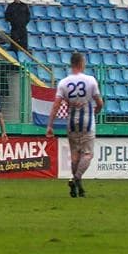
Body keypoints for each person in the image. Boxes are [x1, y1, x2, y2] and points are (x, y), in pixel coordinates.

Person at [46, 52, 104, 198]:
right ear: (82, 63)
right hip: (87, 121)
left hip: (71, 121)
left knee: (75, 155)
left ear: (71, 64)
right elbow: (99, 102)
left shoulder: (64, 83)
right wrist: (97, 110)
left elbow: (56, 105)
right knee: (88, 154)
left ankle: (77, 185)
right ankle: (76, 178)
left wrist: (50, 125)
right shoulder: (90, 80)